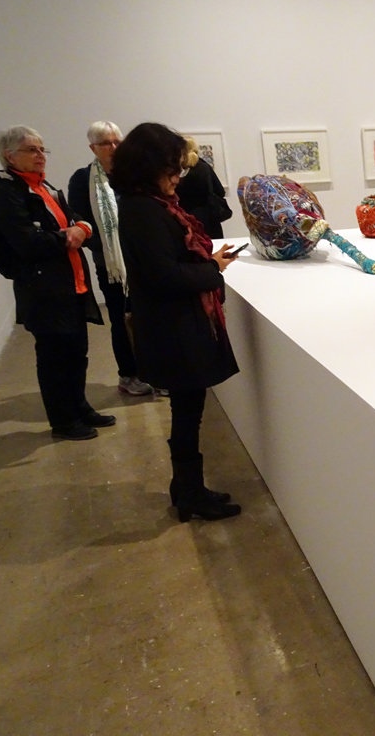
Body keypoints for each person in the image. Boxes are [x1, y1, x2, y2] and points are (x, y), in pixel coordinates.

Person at [110, 122, 241, 522]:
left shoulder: (148, 203)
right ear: (149, 167)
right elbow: (164, 276)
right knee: (188, 410)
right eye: (172, 169)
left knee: (189, 409)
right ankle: (190, 495)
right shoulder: (144, 209)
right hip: (174, 328)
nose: (178, 177)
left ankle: (186, 488)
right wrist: (213, 269)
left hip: (175, 324)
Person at [0, 126, 115, 440]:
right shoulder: (10, 194)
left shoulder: (45, 187)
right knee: (55, 358)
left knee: (77, 352)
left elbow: (78, 220)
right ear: (9, 156)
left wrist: (80, 228)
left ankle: (80, 407)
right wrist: (67, 236)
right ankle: (63, 421)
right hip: (44, 290)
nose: (40, 155)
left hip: (71, 284)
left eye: (42, 149)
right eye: (32, 149)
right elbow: (27, 243)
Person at [68, 121, 158, 396]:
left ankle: (156, 371)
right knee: (121, 319)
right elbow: (80, 219)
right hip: (111, 265)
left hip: (142, 260)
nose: (114, 148)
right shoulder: (83, 180)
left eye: (118, 141)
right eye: (106, 143)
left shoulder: (134, 175)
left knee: (150, 317)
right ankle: (129, 375)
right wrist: (109, 244)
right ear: (93, 148)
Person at [175, 137, 233, 240]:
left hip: (185, 216)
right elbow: (220, 191)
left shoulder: (177, 170)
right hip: (209, 216)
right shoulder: (204, 167)